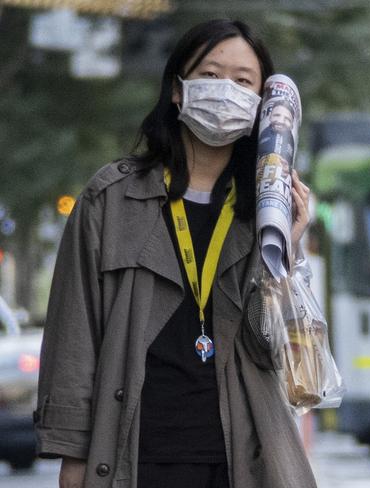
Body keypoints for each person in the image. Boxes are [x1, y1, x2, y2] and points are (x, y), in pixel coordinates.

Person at [34, 19, 317, 488]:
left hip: (243, 456)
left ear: (262, 105)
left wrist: (286, 249)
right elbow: (74, 335)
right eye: (209, 75)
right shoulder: (111, 199)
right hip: (134, 453)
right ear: (177, 91)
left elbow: (283, 356)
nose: (225, 91)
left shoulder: (268, 211)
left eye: (243, 81)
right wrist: (72, 453)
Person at [257, 99, 295, 164]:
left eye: (287, 119)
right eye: (277, 115)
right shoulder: (262, 134)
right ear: (270, 117)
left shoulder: (292, 142)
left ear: (291, 125)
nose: (280, 121)